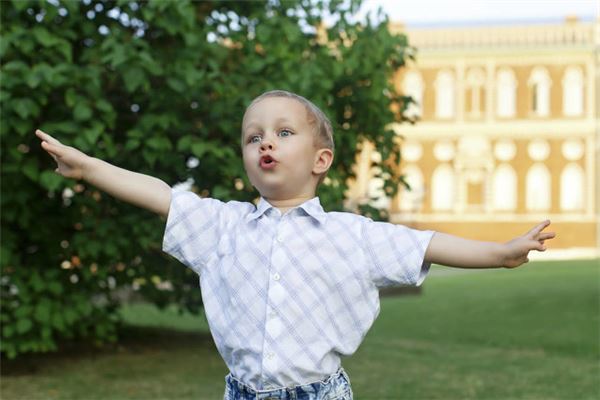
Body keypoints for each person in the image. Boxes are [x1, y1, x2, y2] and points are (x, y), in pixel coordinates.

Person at [36, 89, 556, 400]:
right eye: (253, 135)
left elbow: (426, 245)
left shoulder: (352, 234)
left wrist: (500, 253)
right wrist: (88, 167)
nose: (265, 141)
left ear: (320, 160)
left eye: (284, 132)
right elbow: (160, 195)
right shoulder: (223, 227)